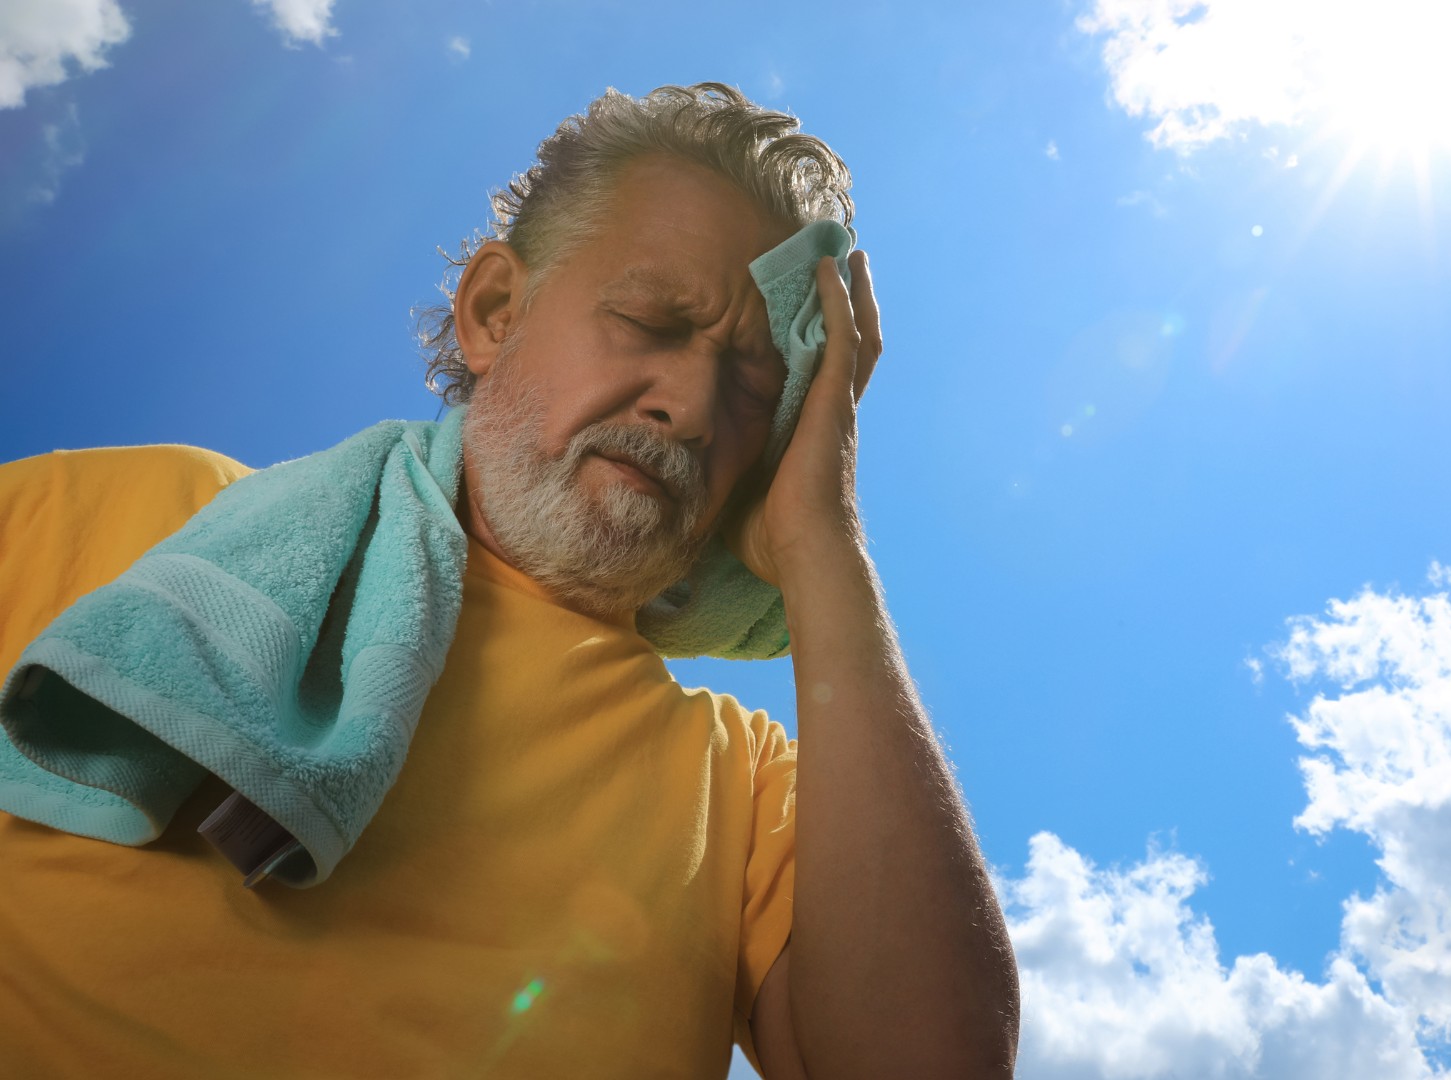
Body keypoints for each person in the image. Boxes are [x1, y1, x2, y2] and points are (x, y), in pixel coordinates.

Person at [0, 82, 1019, 1079]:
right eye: (655, 321)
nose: (694, 404)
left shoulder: (745, 785)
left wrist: (823, 543)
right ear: (493, 311)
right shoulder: (130, 522)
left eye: (752, 382)